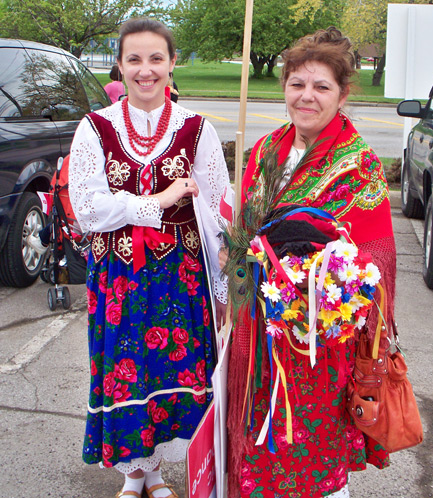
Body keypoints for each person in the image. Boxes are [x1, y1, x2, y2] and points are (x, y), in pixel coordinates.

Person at [225, 27, 396, 498]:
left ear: (342, 95)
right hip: (260, 336)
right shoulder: (264, 152)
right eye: (297, 84)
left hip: (320, 344)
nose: (307, 96)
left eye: (321, 86)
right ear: (284, 88)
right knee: (260, 443)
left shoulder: (358, 164)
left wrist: (319, 282)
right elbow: (244, 235)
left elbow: (377, 255)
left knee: (311, 453)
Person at [69, 17, 230, 498]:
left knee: (170, 371)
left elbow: (219, 209)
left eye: (156, 58)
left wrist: (226, 287)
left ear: (172, 63)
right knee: (125, 371)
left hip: (180, 280)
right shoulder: (94, 128)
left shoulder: (197, 129)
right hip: (119, 278)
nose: (146, 70)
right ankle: (132, 476)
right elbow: (87, 208)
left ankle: (157, 474)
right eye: (134, 59)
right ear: (119, 64)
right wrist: (157, 203)